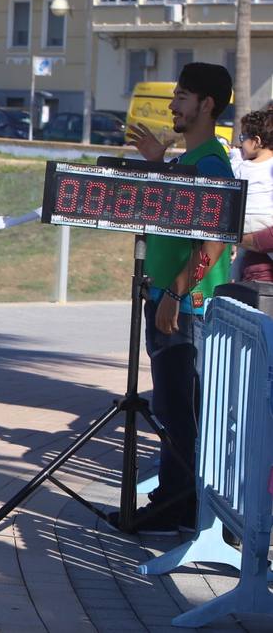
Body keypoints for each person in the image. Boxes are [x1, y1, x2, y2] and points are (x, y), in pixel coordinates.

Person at [123, 62, 234, 534]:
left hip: (185, 309)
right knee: (173, 408)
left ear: (206, 105)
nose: (172, 105)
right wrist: (157, 167)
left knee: (180, 411)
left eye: (182, 97)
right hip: (172, 301)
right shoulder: (192, 161)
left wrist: (174, 293)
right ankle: (176, 499)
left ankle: (179, 505)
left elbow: (213, 241)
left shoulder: (210, 162)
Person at [232, 108, 273, 281]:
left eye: (243, 138)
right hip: (262, 229)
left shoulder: (243, 166)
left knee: (234, 272)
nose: (241, 144)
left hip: (247, 232)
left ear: (256, 141)